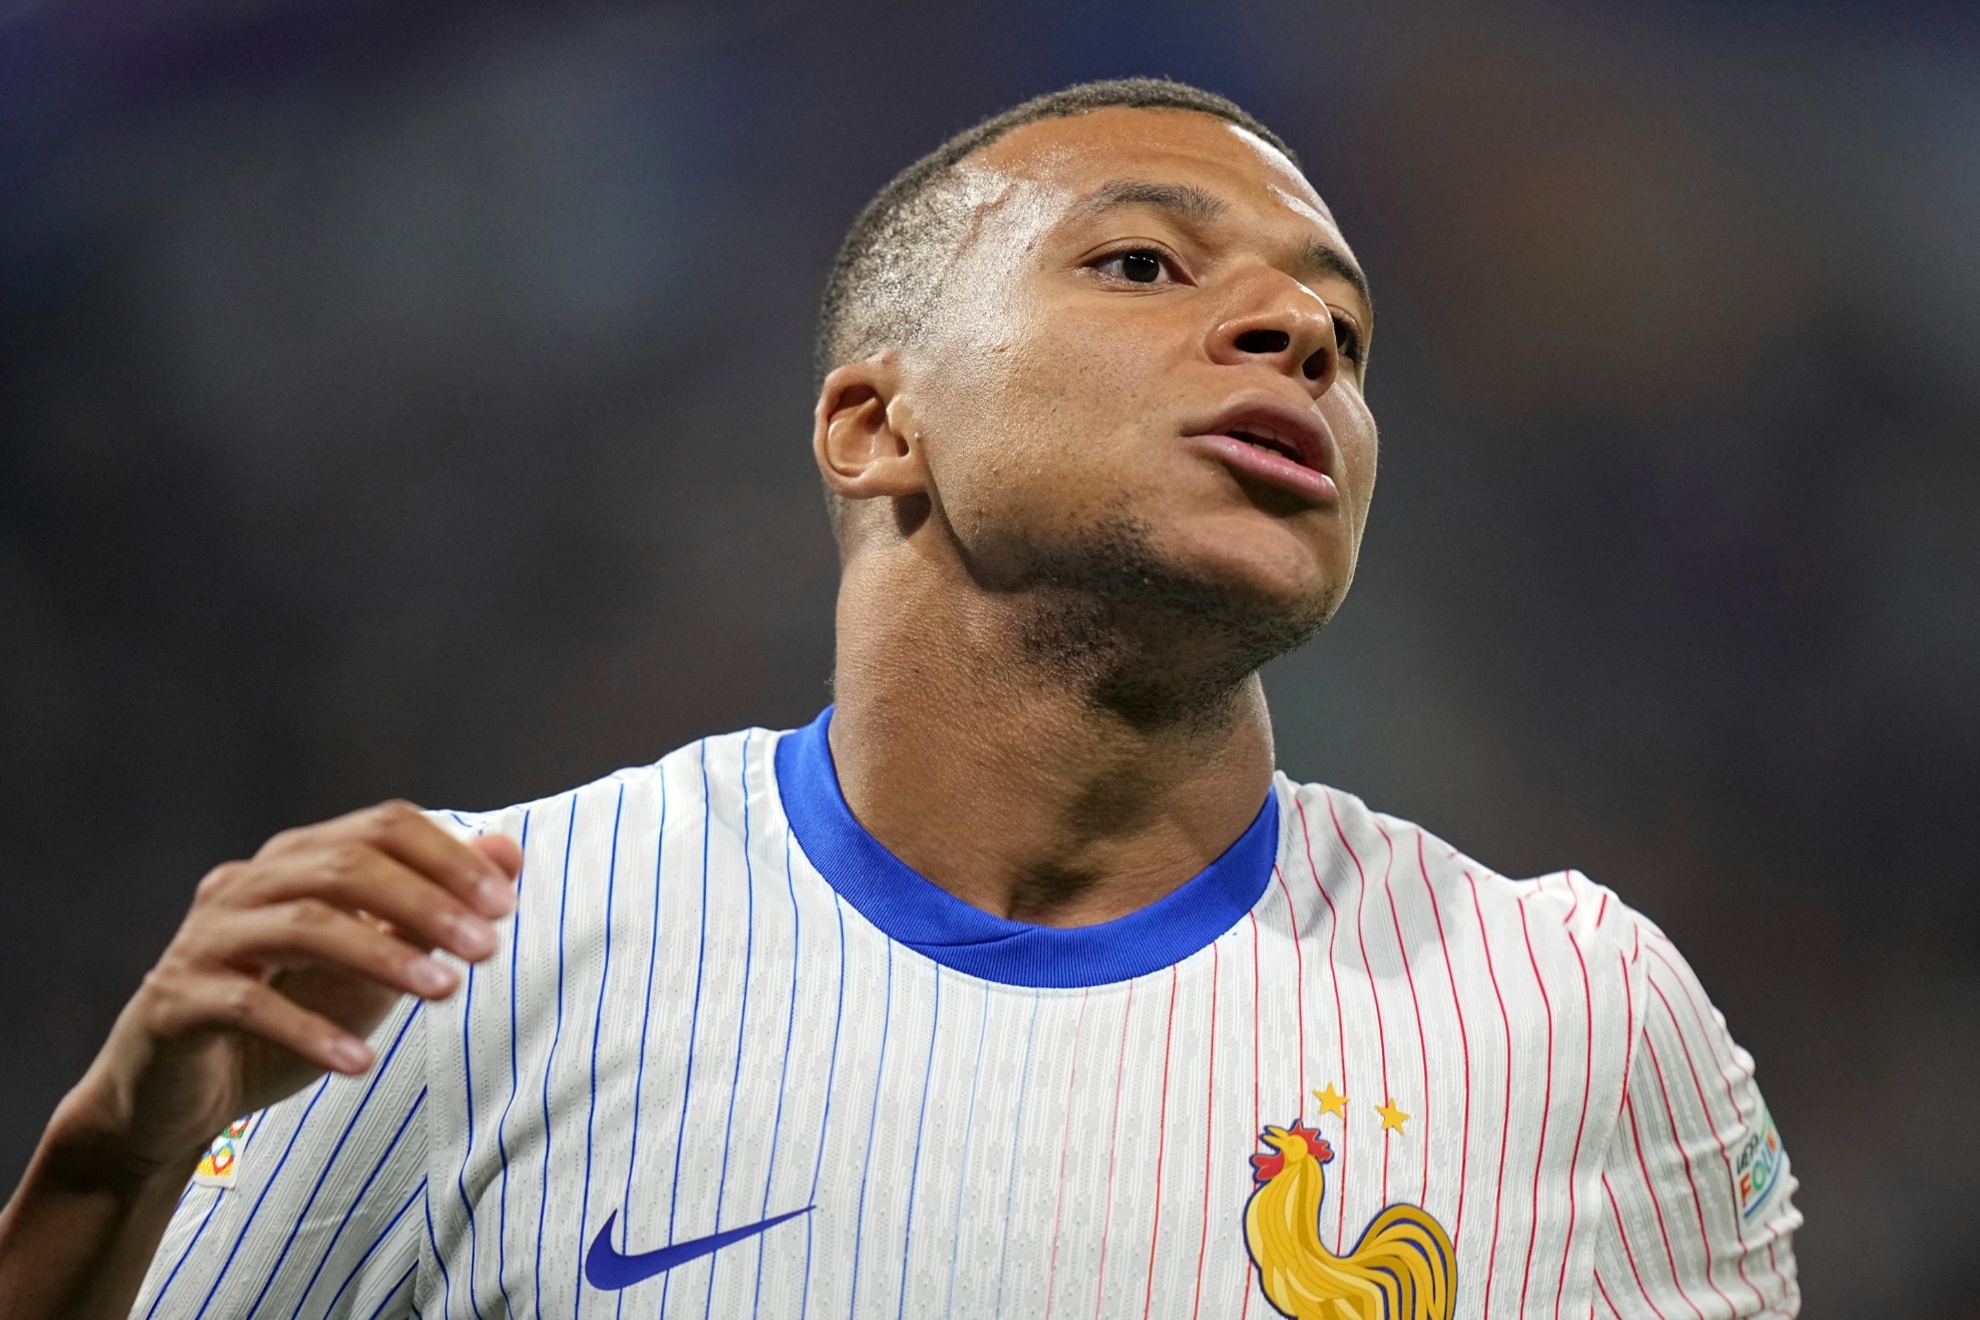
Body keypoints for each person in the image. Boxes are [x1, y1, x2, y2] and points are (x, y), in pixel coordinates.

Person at [0, 78, 1800, 1320]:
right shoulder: (464, 952)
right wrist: (108, 1163)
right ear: (878, 424)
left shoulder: (1571, 1014)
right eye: (1144, 264)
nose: (1300, 339)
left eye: (1344, 332)